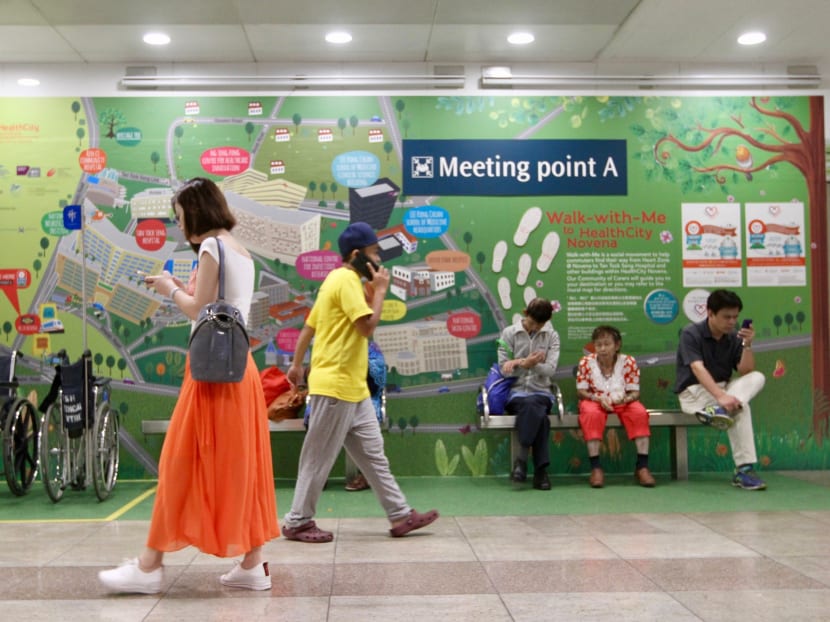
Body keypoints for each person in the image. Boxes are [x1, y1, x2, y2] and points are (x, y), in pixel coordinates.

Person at [99, 178, 279, 594]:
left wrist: (170, 288)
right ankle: (253, 562)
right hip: (240, 372)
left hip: (211, 378)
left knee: (178, 463)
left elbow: (199, 310)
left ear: (196, 212)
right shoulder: (240, 251)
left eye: (181, 217)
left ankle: (148, 567)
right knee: (241, 466)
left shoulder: (213, 247)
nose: (180, 227)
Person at [282, 222, 439, 542]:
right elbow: (367, 327)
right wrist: (380, 291)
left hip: (352, 388)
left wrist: (297, 364)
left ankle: (400, 515)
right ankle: (297, 520)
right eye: (374, 253)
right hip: (336, 385)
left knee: (372, 455)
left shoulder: (333, 281)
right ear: (356, 255)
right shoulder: (346, 279)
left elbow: (308, 329)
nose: (378, 260)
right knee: (318, 456)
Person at [675, 289, 767, 490]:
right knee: (740, 407)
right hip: (695, 394)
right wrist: (721, 397)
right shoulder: (691, 333)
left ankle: (742, 470)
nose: (732, 322)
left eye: (735, 317)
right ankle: (744, 470)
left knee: (757, 377)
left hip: (724, 391)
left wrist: (748, 345)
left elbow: (745, 370)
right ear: (710, 313)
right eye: (727, 317)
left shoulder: (734, 337)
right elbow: (697, 368)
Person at [576, 325, 655, 488]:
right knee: (591, 414)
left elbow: (635, 392)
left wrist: (625, 399)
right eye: (598, 345)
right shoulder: (585, 362)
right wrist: (596, 398)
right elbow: (581, 391)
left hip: (623, 401)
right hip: (594, 401)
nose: (602, 349)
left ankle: (642, 467)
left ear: (617, 345)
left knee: (639, 412)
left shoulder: (629, 362)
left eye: (607, 344)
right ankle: (596, 468)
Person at [499, 297, 560, 490]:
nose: (535, 328)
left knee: (534, 403)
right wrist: (522, 364)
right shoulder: (509, 333)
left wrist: (531, 365)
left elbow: (550, 370)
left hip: (542, 391)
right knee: (540, 417)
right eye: (533, 323)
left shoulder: (551, 336)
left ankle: (522, 460)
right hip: (516, 393)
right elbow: (503, 369)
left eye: (540, 325)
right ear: (526, 313)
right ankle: (541, 472)